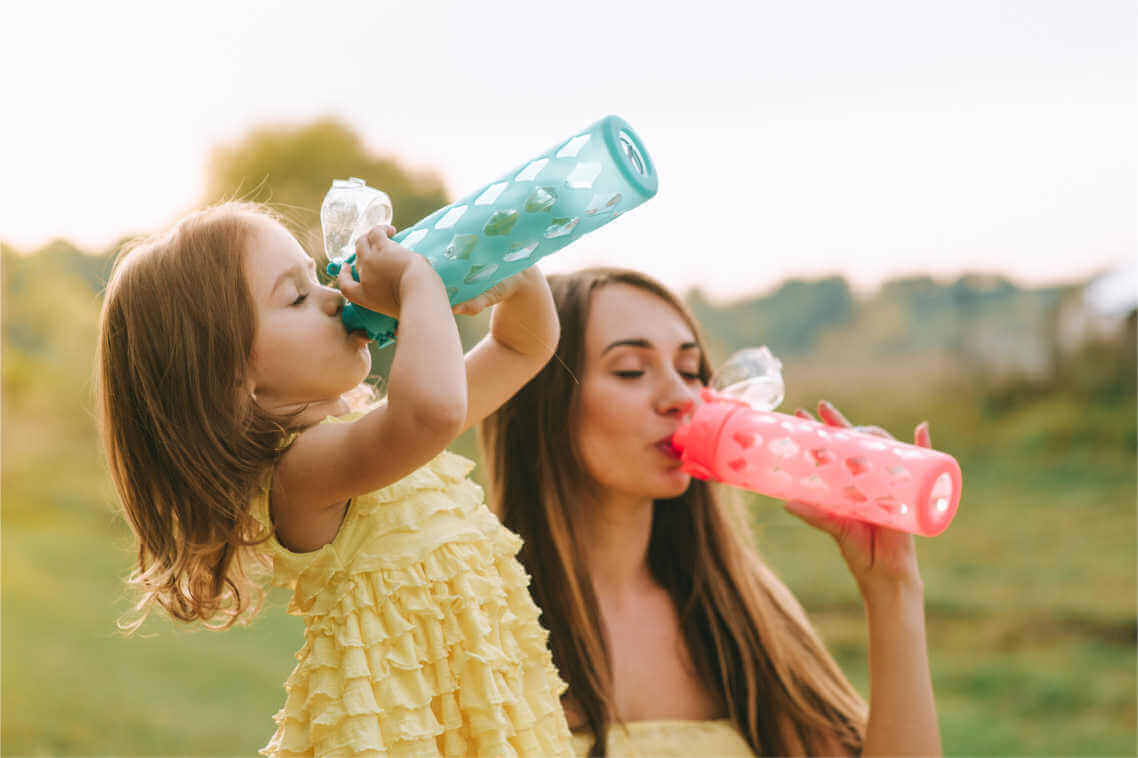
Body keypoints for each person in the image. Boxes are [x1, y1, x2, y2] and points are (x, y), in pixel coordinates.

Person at [96, 202, 575, 757]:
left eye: (318, 277)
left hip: (482, 709)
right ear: (231, 380)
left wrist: (517, 279)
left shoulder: (376, 438)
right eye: (296, 297)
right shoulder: (302, 471)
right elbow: (432, 413)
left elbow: (524, 347)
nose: (334, 296)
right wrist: (419, 286)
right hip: (399, 730)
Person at [478, 267, 942, 757]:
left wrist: (892, 588)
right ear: (540, 400)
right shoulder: (478, 620)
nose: (681, 396)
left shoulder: (738, 609)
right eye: (631, 370)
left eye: (692, 370)